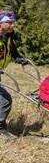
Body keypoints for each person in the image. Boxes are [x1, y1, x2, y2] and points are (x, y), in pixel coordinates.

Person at [0, 8, 28, 138]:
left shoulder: (7, 37)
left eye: (13, 22)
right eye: (10, 22)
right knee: (5, 101)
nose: (13, 25)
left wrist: (18, 58)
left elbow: (13, 51)